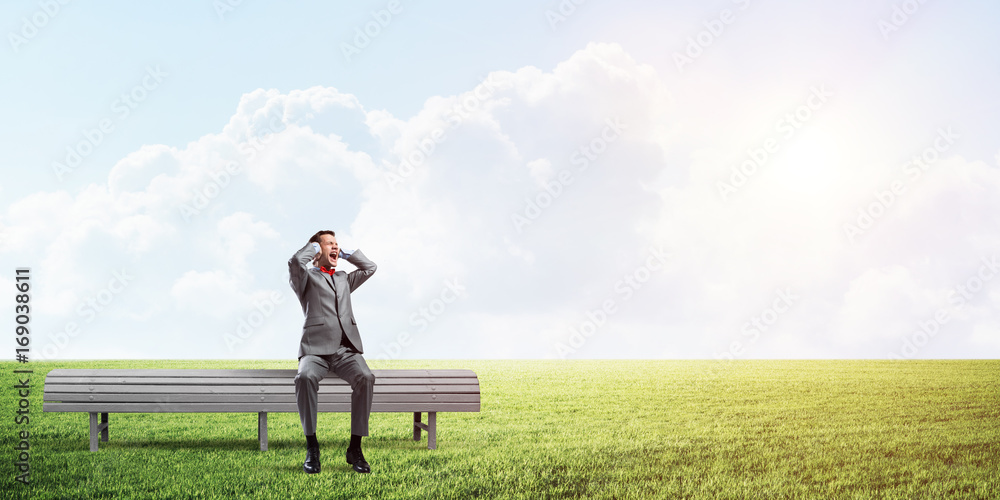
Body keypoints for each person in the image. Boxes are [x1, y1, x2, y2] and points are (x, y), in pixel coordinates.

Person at [288, 230, 377, 474]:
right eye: (329, 244)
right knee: (304, 377)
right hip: (314, 351)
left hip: (345, 350)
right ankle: (312, 447)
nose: (335, 246)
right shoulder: (305, 278)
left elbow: (370, 268)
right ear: (317, 250)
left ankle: (355, 448)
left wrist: (347, 254)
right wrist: (314, 248)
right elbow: (295, 262)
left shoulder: (343, 278)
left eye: (337, 244)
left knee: (366, 378)